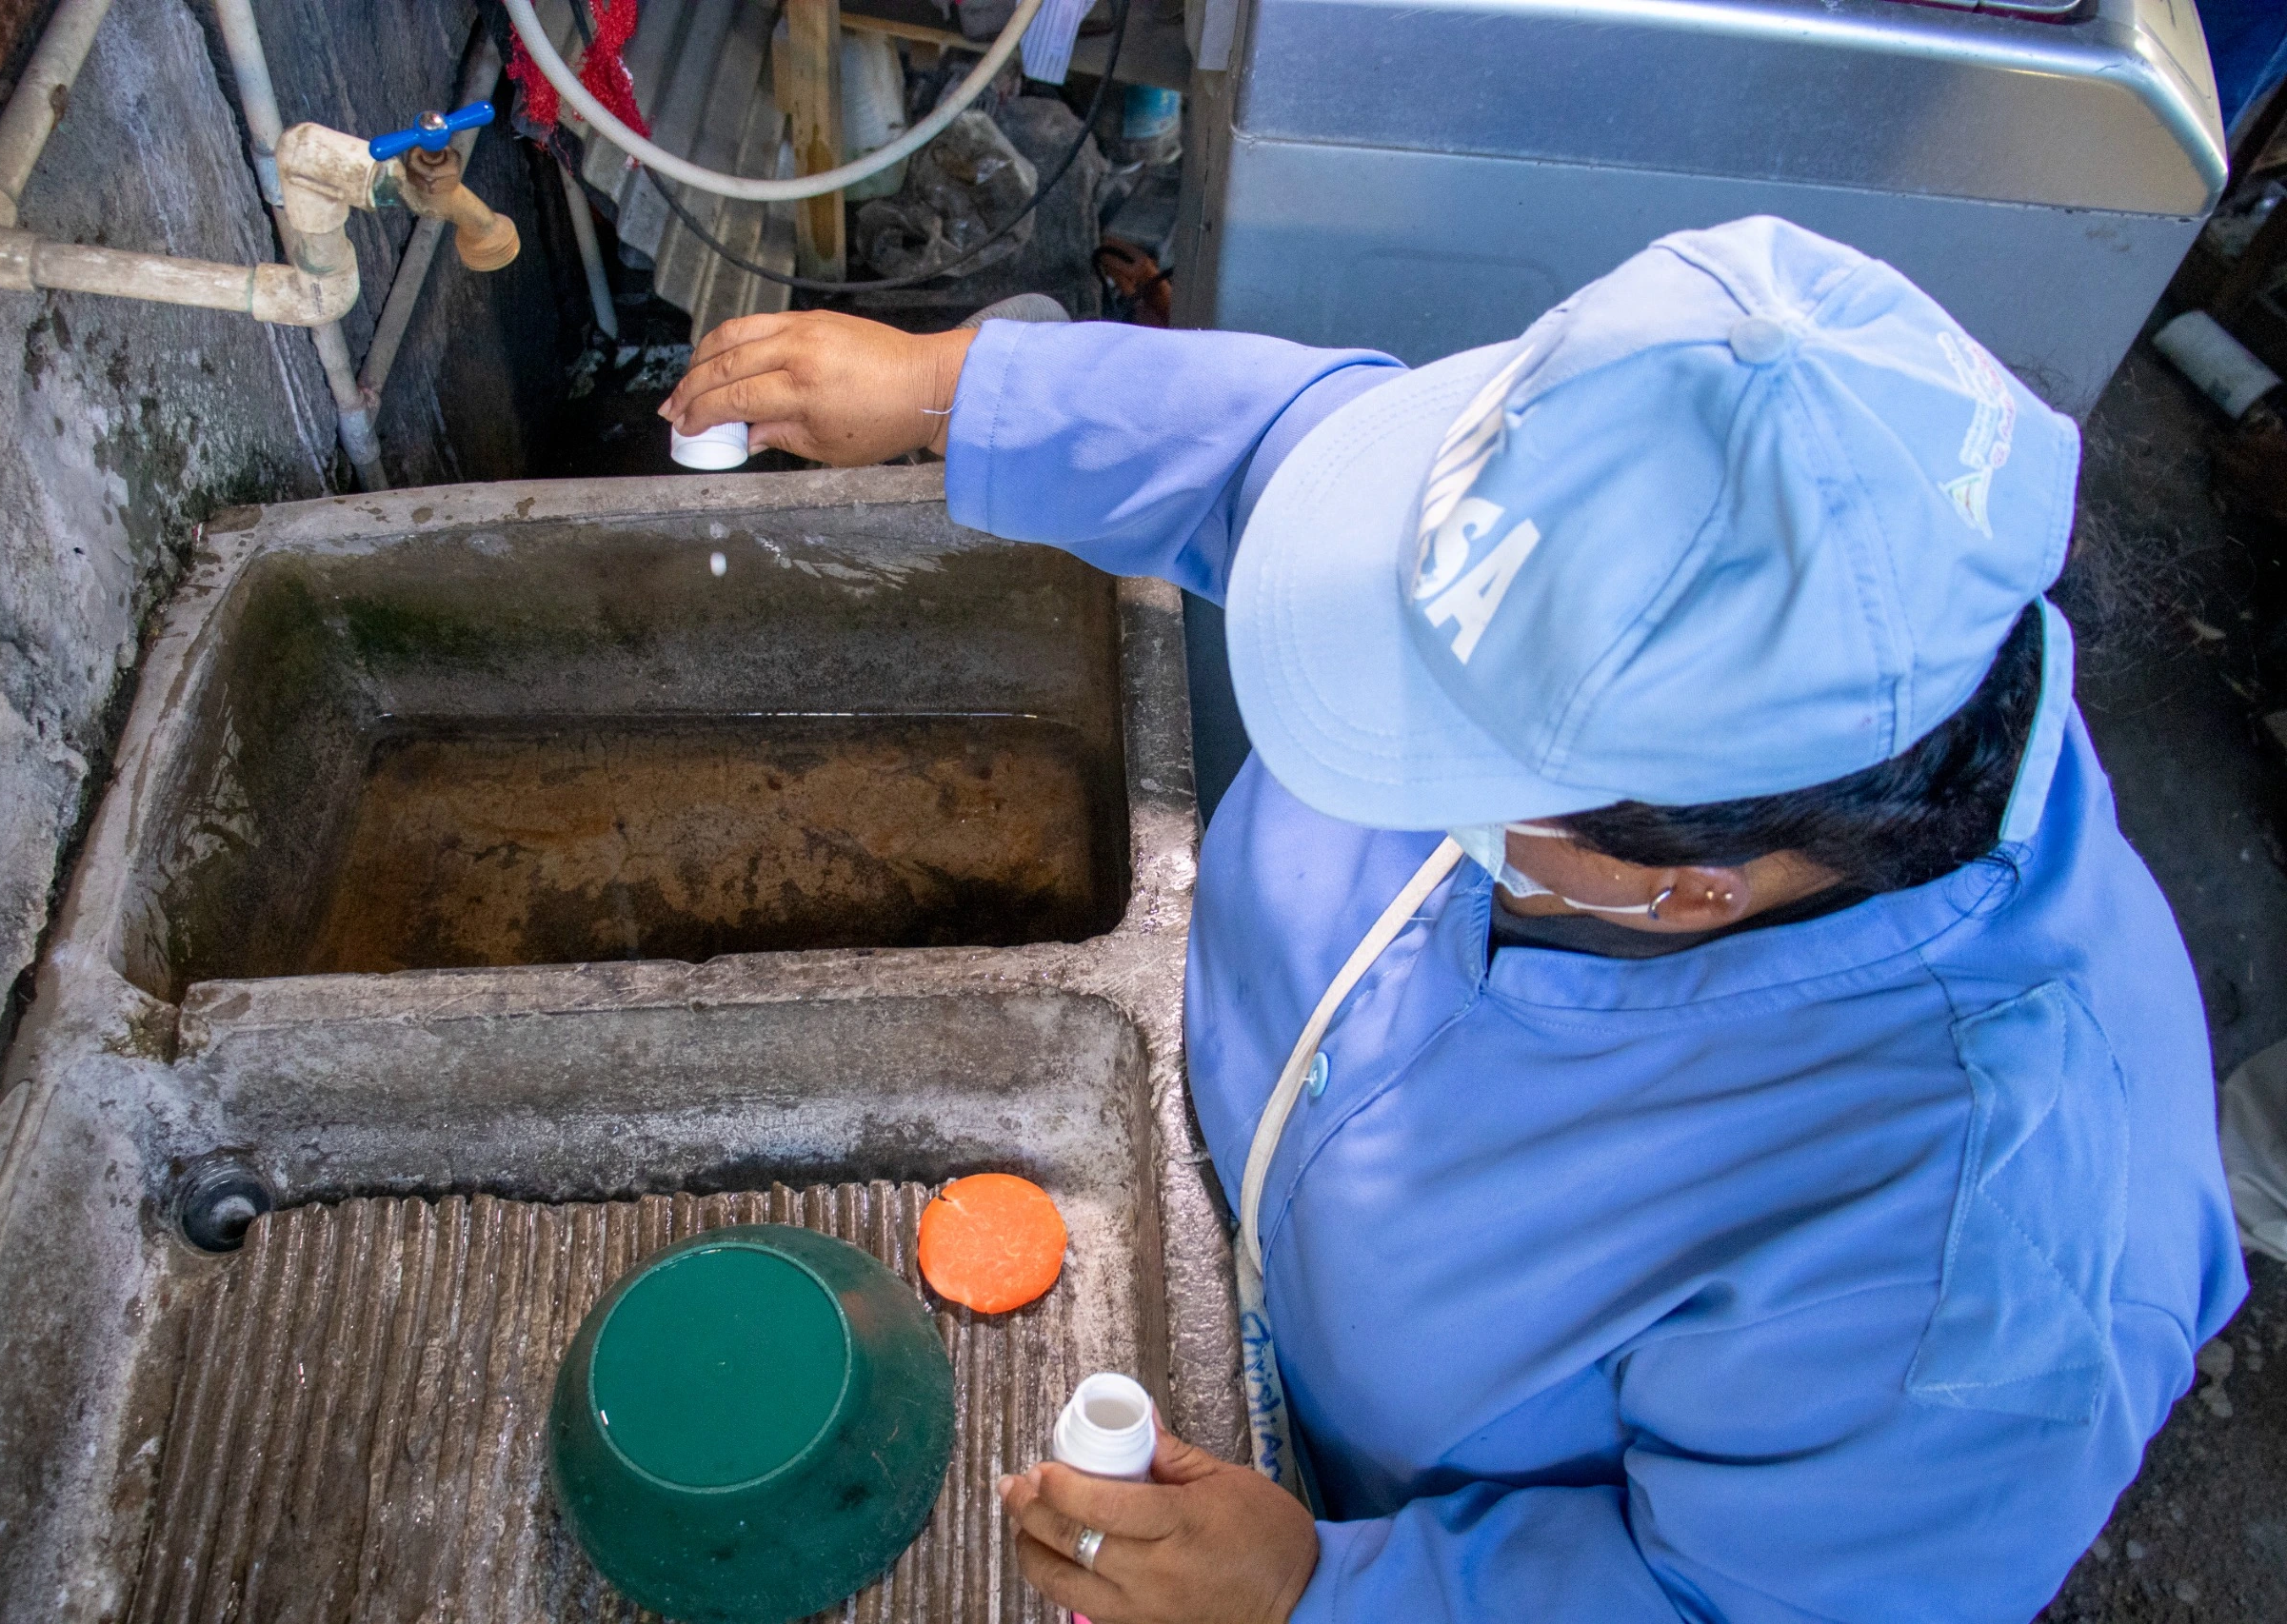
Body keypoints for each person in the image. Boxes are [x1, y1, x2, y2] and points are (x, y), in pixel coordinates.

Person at [662, 217, 2246, 1624]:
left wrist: (1322, 1590)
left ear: (1696, 880)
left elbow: (1725, 1603)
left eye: (1464, 771)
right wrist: (961, 392)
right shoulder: (1670, 505)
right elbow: (1308, 465)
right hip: (1265, 1189)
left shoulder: (1997, 1271)